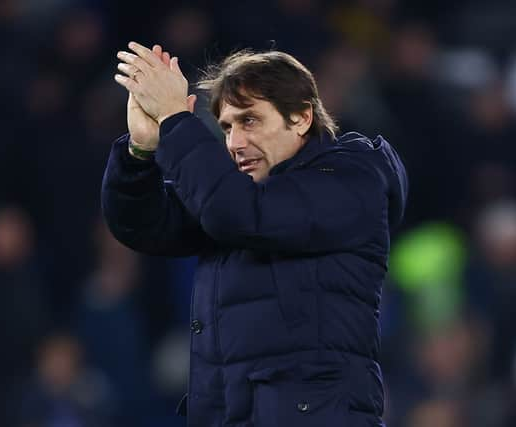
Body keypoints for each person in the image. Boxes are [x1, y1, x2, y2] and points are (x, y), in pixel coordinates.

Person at [103, 42, 408, 427]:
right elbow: (143, 225)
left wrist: (176, 119)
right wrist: (141, 152)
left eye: (249, 121)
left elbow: (237, 213)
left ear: (301, 118)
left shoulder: (349, 181)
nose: (234, 143)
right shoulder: (236, 197)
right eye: (226, 126)